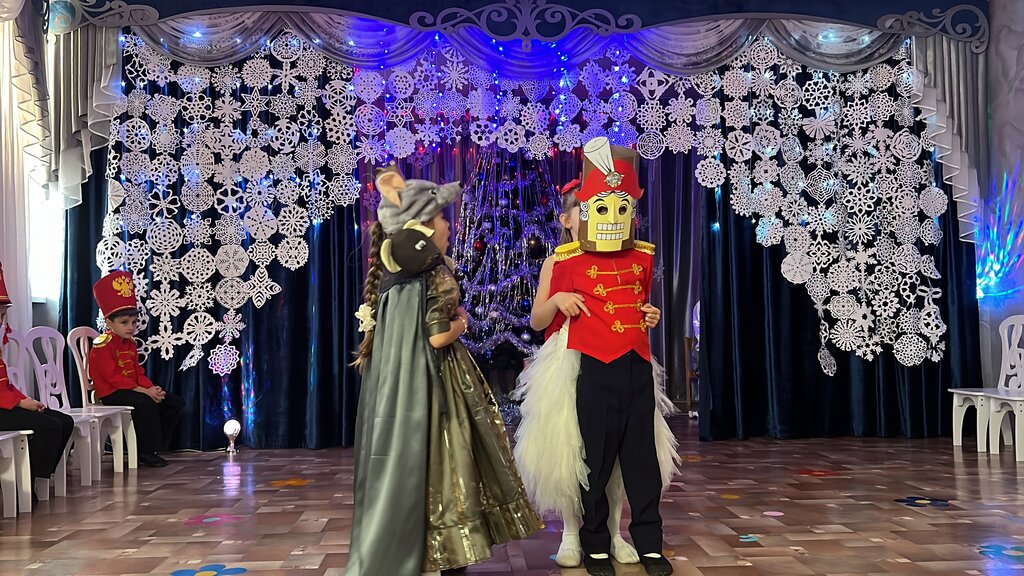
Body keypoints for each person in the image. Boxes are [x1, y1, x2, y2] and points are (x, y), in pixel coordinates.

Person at [347, 166, 543, 576]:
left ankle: (422, 546)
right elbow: (437, 336)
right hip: (442, 384)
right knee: (451, 461)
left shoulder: (396, 278)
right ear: (421, 227)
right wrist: (463, 323)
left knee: (424, 466)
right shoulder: (433, 274)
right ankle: (452, 549)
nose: (449, 226)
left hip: (415, 388)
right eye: (441, 218)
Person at [514, 178, 681, 570]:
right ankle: (575, 534)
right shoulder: (557, 261)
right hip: (572, 359)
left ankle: (616, 533)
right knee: (575, 450)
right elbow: (537, 319)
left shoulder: (632, 258)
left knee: (626, 452)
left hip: (623, 355)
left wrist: (650, 315)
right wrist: (557, 299)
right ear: (568, 219)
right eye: (590, 208)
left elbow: (634, 305)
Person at [88, 270, 184, 468]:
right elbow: (114, 378)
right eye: (124, 323)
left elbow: (137, 372)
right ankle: (146, 452)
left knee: (173, 402)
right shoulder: (102, 345)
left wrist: (152, 389)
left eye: (133, 322)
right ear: (109, 322)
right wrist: (144, 392)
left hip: (131, 388)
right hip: (112, 392)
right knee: (146, 404)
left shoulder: (129, 343)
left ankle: (152, 444)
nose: (130, 327)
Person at [0, 260, 74, 502]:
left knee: (64, 421)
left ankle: (34, 477)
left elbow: (5, 384)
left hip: (6, 404)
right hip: (3, 407)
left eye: (2, 316)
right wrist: (20, 403)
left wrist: (25, 399)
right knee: (49, 426)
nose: (1, 323)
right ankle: (24, 483)